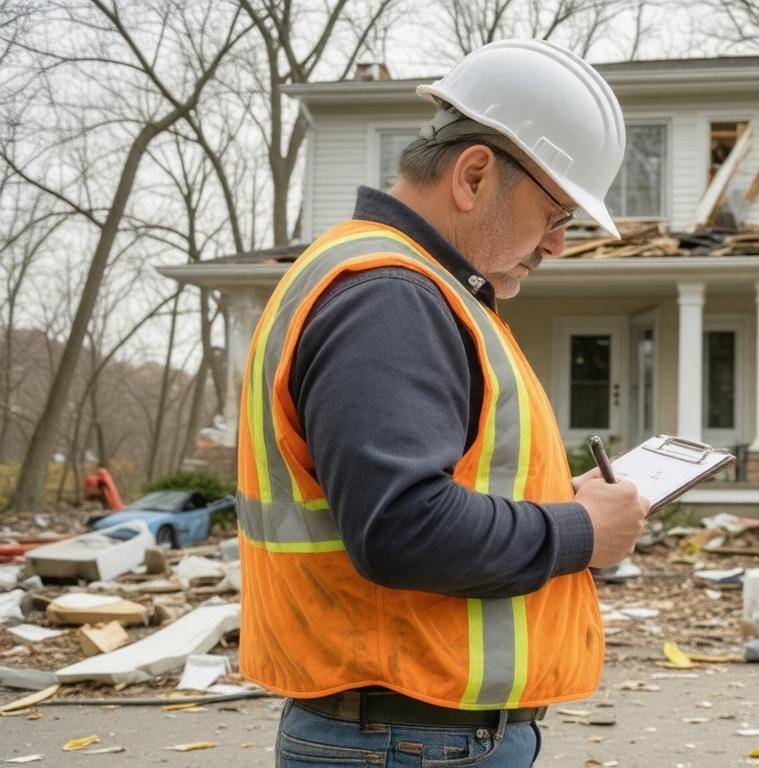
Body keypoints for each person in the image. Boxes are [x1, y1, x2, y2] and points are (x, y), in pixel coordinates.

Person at [234, 39, 650, 767]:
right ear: (476, 174)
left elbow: (439, 491)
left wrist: (563, 501)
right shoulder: (390, 297)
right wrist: (580, 531)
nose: (557, 243)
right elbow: (399, 525)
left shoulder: (411, 289)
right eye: (556, 213)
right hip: (410, 738)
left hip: (411, 734)